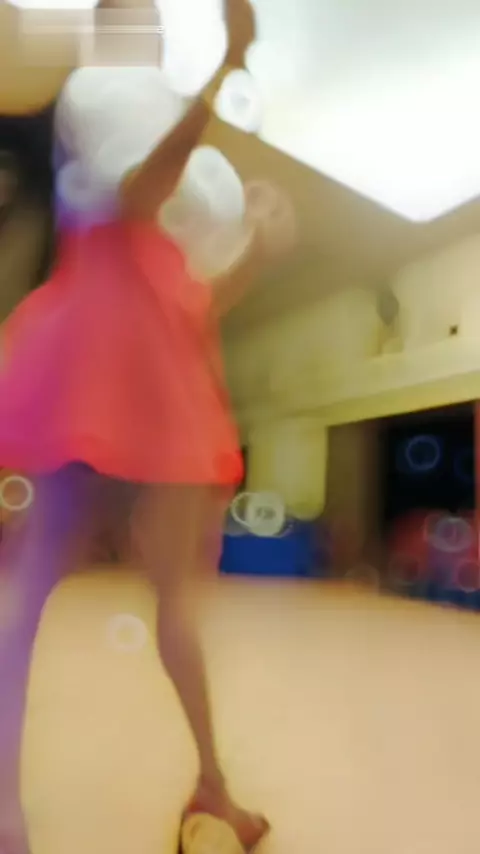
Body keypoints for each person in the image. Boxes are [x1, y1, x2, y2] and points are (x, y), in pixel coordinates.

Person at [0, 1, 272, 851]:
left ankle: (212, 784)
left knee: (164, 598)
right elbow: (133, 198)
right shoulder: (95, 95)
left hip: (149, 354)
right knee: (34, 586)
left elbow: (187, 295)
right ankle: (3, 802)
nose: (148, 34)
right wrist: (227, 68)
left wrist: (256, 250)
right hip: (92, 350)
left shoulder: (151, 120)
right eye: (136, 19)